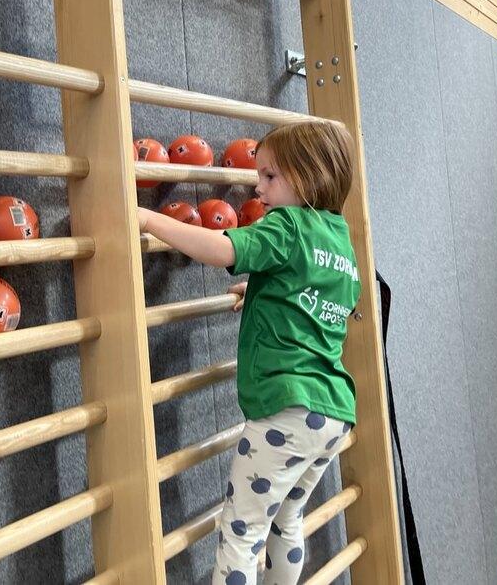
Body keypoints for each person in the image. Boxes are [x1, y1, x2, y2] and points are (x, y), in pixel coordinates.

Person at [137, 119, 360, 585]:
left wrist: (145, 218)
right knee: (286, 521)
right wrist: (260, 291)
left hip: (287, 409)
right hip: (332, 412)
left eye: (270, 176)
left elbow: (221, 249)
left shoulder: (288, 224)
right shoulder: (338, 238)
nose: (257, 187)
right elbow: (314, 299)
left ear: (311, 175)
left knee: (241, 533)